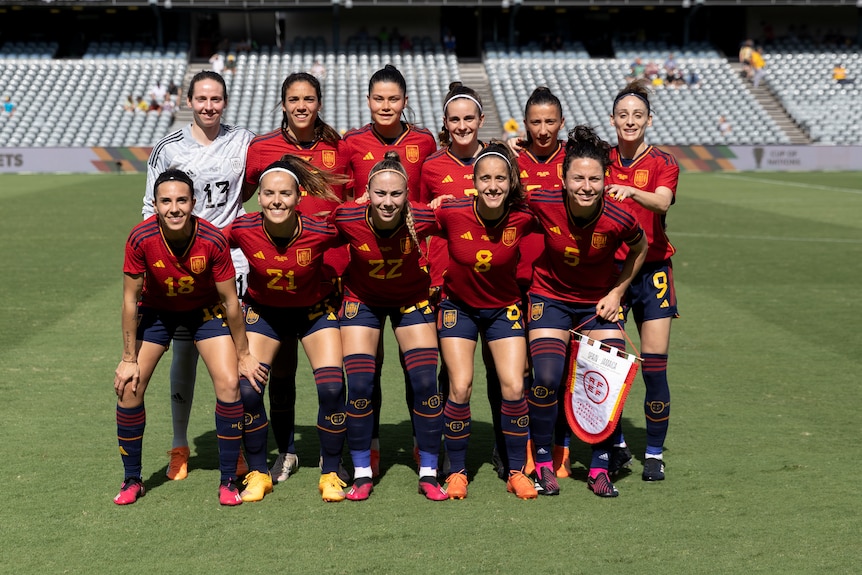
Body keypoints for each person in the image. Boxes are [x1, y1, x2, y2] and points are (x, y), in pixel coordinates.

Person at [113, 169, 266, 506]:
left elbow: (229, 301)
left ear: (193, 203)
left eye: (181, 200)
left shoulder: (212, 239)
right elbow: (129, 299)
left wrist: (243, 354)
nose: (174, 208)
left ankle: (228, 480)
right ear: (155, 205)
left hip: (204, 312)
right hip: (156, 313)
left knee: (229, 384)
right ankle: (132, 479)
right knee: (128, 387)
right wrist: (127, 359)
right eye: (166, 201)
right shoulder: (140, 238)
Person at [525, 125, 647, 498]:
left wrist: (618, 292)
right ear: (563, 179)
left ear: (605, 180)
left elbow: (640, 250)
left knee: (607, 376)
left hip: (597, 305)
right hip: (549, 298)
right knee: (546, 376)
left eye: (594, 178)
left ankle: (599, 467)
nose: (586, 185)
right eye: (578, 177)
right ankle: (543, 463)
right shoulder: (543, 202)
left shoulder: (619, 216)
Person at [144, 70, 255, 482]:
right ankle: (179, 444)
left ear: (225, 101)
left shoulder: (243, 141)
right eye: (202, 98)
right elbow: (148, 208)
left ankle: (238, 445)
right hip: (184, 268)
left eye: (217, 99)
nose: (209, 106)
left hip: (232, 265)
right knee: (185, 352)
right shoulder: (168, 149)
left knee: (234, 356)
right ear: (189, 101)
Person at [243, 71, 350, 483]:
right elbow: (243, 202)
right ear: (283, 104)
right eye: (293, 99)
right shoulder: (262, 148)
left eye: (308, 98)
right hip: (272, 282)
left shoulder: (340, 147)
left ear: (319, 102)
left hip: (327, 281)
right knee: (279, 373)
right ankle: (285, 451)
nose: (301, 106)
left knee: (343, 377)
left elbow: (356, 204)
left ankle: (349, 453)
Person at [225, 157, 350, 502]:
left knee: (331, 388)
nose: (276, 200)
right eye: (268, 194)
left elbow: (361, 228)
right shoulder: (243, 228)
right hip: (266, 314)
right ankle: (260, 472)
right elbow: (207, 243)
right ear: (259, 197)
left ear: (299, 196)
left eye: (284, 194)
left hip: (314, 314)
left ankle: (331, 471)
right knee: (249, 390)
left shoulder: (320, 230)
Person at [332, 152, 447, 501]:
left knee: (426, 381)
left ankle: (428, 471)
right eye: (380, 194)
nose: (387, 202)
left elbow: (467, 220)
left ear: (407, 195)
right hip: (362, 301)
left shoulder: (424, 216)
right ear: (367, 193)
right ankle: (362, 472)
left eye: (396, 194)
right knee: (362, 384)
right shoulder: (347, 216)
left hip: (411, 299)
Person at [341, 65, 438, 474]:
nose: (385, 105)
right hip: (364, 270)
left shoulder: (424, 142)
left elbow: (434, 204)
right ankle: (372, 447)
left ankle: (422, 446)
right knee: (367, 370)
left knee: (419, 372)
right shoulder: (351, 143)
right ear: (368, 101)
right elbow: (344, 206)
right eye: (378, 98)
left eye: (393, 98)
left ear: (405, 101)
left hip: (410, 269)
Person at [434, 143, 538, 500]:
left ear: (511, 183)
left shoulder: (523, 216)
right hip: (458, 307)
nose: (493, 185)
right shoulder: (450, 212)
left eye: (500, 178)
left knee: (512, 387)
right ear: (474, 182)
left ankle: (516, 471)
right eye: (486, 178)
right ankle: (458, 471)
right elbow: (403, 214)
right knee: (460, 386)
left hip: (503, 307)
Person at [605, 80, 680, 482]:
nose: (630, 121)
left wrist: (630, 190)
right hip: (610, 273)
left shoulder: (663, 162)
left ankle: (654, 453)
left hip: (652, 271)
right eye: (623, 115)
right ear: (613, 119)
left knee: (654, 366)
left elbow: (663, 200)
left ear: (649, 120)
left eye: (637, 115)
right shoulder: (601, 158)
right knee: (608, 365)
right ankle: (615, 444)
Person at [508, 86, 571, 480]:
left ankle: (561, 448)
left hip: (563, 282)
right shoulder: (515, 161)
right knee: (523, 371)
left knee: (559, 371)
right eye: (536, 122)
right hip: (516, 276)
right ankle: (522, 449)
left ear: (561, 123)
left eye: (550, 121)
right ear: (525, 124)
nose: (543, 129)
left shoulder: (575, 160)